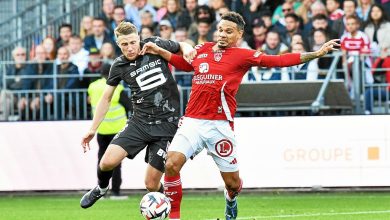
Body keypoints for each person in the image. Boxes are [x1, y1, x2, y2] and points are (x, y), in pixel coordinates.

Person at [140, 11, 340, 220]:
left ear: (239, 35)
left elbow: (277, 60)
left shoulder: (243, 55)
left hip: (219, 126)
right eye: (220, 30)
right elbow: (185, 64)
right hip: (192, 120)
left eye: (228, 31)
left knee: (232, 184)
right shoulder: (203, 49)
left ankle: (231, 199)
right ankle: (174, 216)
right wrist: (160, 51)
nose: (222, 34)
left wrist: (315, 54)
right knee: (171, 163)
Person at [79, 21, 193, 209]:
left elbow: (181, 46)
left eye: (133, 42)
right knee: (106, 162)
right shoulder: (119, 65)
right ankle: (101, 188)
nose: (130, 48)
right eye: (124, 44)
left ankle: (163, 202)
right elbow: (106, 98)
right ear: (118, 44)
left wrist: (188, 49)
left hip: (166, 125)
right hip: (139, 122)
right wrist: (92, 129)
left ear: (139, 37)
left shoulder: (155, 45)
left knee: (150, 184)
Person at [87, 63, 132, 197]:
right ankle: (116, 192)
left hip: (101, 130)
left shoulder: (92, 86)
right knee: (115, 162)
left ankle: (101, 191)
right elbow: (129, 105)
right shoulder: (117, 88)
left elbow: (89, 101)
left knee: (102, 161)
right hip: (117, 130)